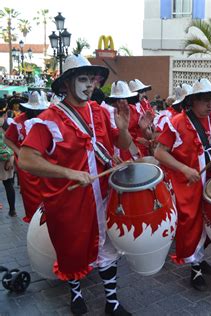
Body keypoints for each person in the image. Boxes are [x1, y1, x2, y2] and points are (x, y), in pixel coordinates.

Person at [18, 55, 133, 316]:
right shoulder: (49, 118)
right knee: (71, 250)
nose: (90, 85)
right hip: (68, 201)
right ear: (67, 84)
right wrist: (68, 173)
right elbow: (26, 159)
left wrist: (124, 129)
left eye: (92, 79)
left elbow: (123, 145)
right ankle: (76, 292)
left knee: (108, 247)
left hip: (102, 197)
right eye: (83, 79)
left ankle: (112, 302)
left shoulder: (101, 112)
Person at [154, 78, 211, 291]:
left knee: (210, 222)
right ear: (193, 102)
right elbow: (159, 152)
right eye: (205, 101)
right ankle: (194, 266)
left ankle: (199, 257)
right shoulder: (177, 122)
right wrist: (185, 169)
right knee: (191, 224)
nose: (210, 105)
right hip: (188, 184)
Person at [4, 91, 49, 222]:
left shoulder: (49, 118)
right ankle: (35, 222)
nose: (39, 112)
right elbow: (7, 139)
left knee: (49, 194)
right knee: (31, 197)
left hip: (46, 163)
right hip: (28, 169)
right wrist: (19, 153)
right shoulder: (18, 121)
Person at [0, 106, 16, 217]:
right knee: (8, 184)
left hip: (5, 158)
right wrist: (12, 157)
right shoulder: (8, 124)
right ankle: (12, 210)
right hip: (7, 158)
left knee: (8, 184)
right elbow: (14, 142)